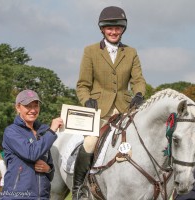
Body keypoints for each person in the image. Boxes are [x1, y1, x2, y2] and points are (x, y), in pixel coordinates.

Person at [74, 6, 146, 199]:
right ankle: (79, 188)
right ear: (102, 29)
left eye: (118, 28)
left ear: (123, 29)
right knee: (90, 142)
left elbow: (138, 80)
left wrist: (139, 94)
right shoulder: (90, 51)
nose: (114, 32)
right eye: (109, 28)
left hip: (125, 108)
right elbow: (82, 84)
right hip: (100, 110)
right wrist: (87, 100)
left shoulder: (130, 52)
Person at [1, 89, 63, 199]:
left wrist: (48, 169)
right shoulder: (11, 132)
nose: (33, 110)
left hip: (42, 197)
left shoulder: (44, 132)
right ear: (18, 107)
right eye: (28, 106)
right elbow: (31, 153)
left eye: (36, 106)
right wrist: (52, 131)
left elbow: (51, 171)